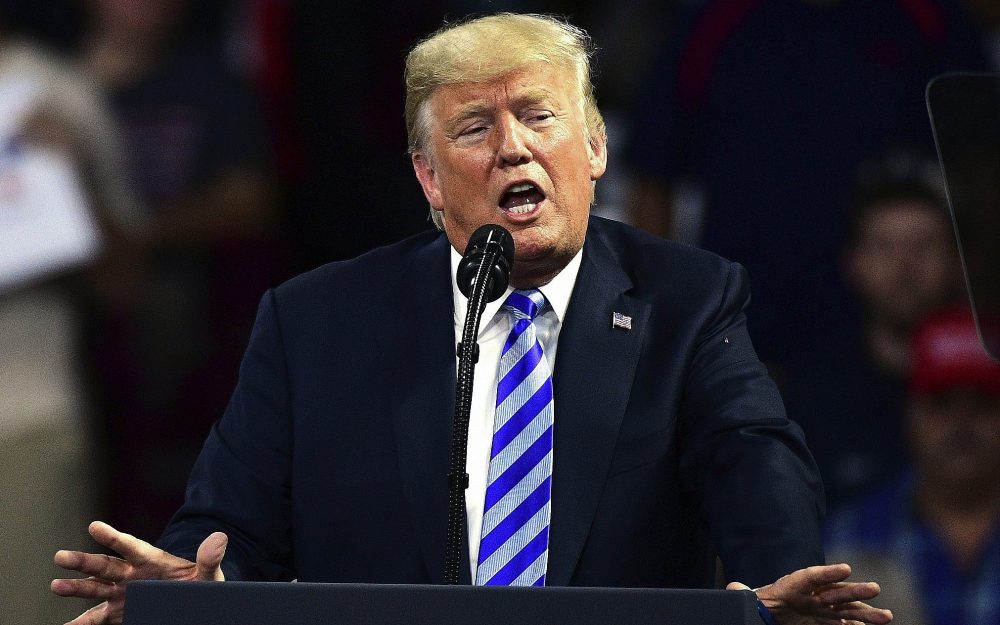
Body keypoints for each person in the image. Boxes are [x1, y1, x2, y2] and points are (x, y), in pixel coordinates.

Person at [52, 14, 892, 625]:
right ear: (427, 175)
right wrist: (202, 590)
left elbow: (757, 469)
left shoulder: (688, 300)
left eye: (539, 114)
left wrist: (776, 585)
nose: (514, 147)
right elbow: (223, 529)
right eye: (475, 127)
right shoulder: (315, 323)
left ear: (595, 147)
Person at [782, 163, 963, 507]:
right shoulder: (811, 398)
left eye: (923, 245)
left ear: (956, 259)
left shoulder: (987, 384)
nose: (905, 265)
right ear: (853, 262)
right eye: (885, 246)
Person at [825, 307, 1000, 625]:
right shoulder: (850, 538)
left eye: (982, 402)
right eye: (941, 402)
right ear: (910, 414)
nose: (962, 423)